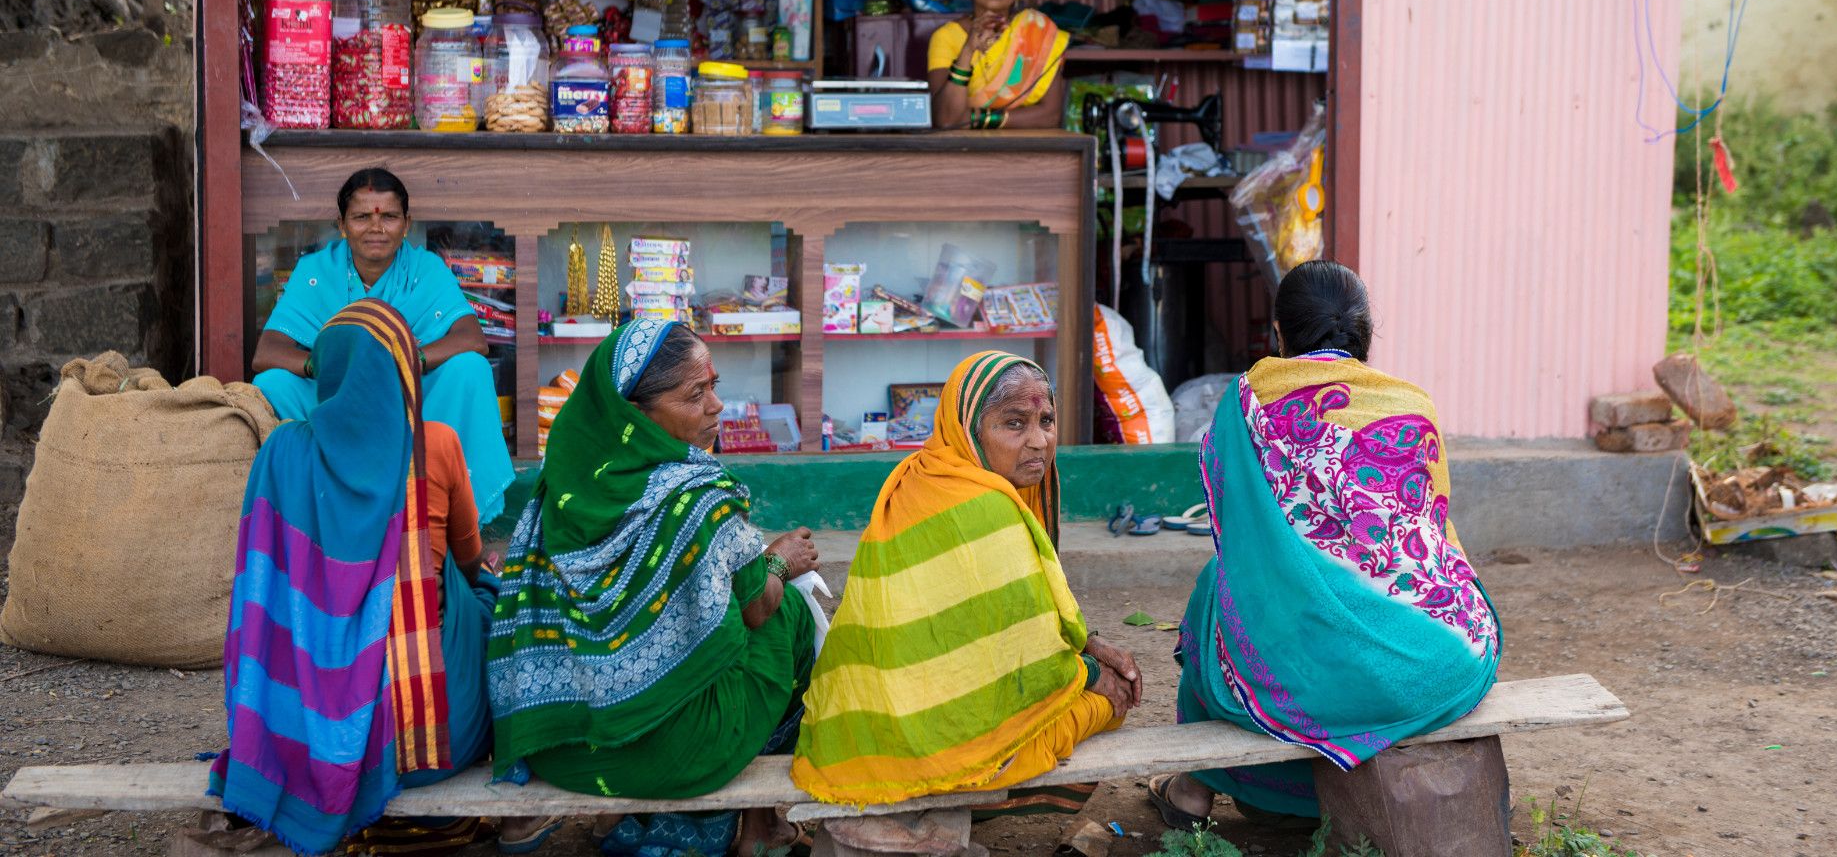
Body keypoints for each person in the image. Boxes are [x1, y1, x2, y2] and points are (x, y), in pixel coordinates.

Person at [1146, 261, 1503, 828]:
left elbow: (1240, 539)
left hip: (1315, 679)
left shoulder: (1249, 401)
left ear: (1280, 333)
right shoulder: (1412, 403)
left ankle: (1195, 793)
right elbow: (1430, 534)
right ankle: (1294, 796)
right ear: (1364, 337)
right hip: (1437, 661)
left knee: (1220, 586)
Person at [486, 318, 820, 857]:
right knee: (792, 617)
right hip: (679, 752)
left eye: (715, 385)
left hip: (566, 745)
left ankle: (618, 817)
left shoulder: (562, 483)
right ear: (635, 412)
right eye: (696, 394)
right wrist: (779, 561)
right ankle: (758, 826)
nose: (716, 406)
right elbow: (758, 607)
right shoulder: (699, 495)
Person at [209, 300, 501, 855]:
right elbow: (469, 558)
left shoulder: (281, 453)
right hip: (434, 737)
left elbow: (259, 603)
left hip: (302, 742)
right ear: (405, 372)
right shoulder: (435, 445)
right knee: (485, 595)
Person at [792, 351, 1141, 810]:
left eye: (1046, 420)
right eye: (1014, 424)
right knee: (1105, 704)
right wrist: (1093, 674)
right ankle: (979, 790)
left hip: (866, 724)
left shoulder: (923, 475)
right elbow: (1029, 657)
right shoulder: (985, 508)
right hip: (927, 739)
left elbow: (1005, 624)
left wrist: (1088, 645)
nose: (1038, 441)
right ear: (969, 428)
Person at [252, 167, 514, 524]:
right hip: (336, 398)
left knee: (469, 369)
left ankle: (456, 518)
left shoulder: (426, 268)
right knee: (271, 384)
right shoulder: (315, 270)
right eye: (361, 217)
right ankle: (309, 512)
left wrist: (411, 359)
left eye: (389, 217)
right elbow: (266, 352)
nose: (376, 228)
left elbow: (472, 338)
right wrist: (324, 365)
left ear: (406, 224)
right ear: (341, 225)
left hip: (409, 399)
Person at [928, 0, 1070, 130]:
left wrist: (979, 119)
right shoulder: (946, 37)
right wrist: (968, 50)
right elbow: (945, 119)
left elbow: (1050, 115)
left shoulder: (1038, 33)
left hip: (1028, 152)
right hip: (962, 153)